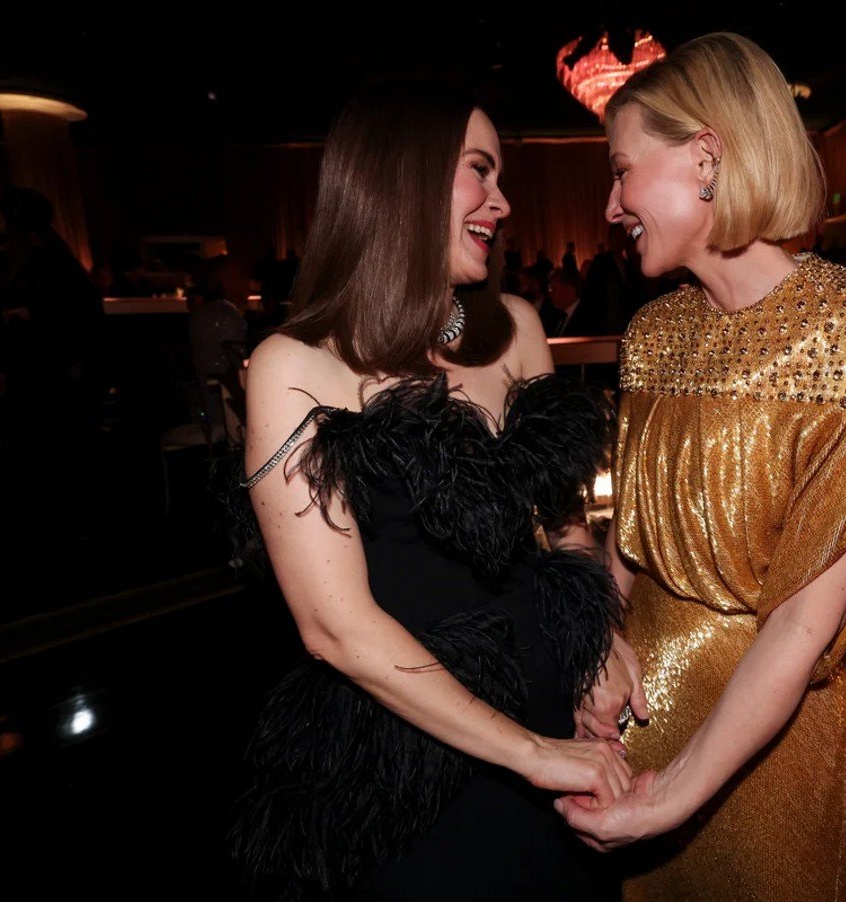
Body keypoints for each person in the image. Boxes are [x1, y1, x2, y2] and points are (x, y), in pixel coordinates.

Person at [556, 33, 846, 900]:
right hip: (635, 718)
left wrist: (678, 797)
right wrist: (595, 650)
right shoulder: (656, 334)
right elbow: (627, 550)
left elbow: (805, 622)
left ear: (706, 157)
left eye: (622, 170)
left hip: (768, 743)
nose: (613, 203)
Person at [230, 82, 628, 900]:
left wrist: (596, 645)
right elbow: (333, 627)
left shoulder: (516, 328)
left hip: (556, 715)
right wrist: (531, 753)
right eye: (479, 171)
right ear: (400, 178)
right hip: (413, 758)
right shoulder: (295, 367)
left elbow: (566, 527)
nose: (503, 201)